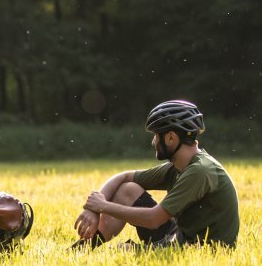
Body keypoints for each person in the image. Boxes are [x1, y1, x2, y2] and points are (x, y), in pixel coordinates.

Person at [73, 100, 239, 249]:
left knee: (122, 250)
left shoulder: (200, 171)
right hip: (182, 236)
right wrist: (92, 210)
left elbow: (154, 219)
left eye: (156, 135)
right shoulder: (177, 167)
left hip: (200, 249)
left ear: (171, 138)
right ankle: (85, 248)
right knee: (127, 189)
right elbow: (123, 177)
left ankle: (100, 250)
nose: (153, 142)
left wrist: (102, 206)